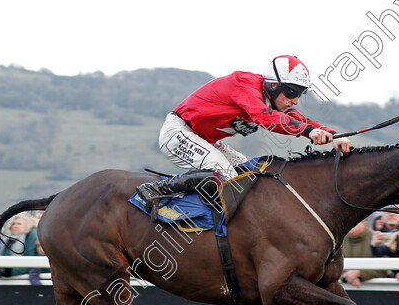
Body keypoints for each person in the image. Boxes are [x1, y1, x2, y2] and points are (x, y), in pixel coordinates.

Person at [136, 55, 352, 211]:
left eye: (300, 93)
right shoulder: (244, 84)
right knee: (226, 174)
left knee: (249, 175)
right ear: (274, 84)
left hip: (204, 139)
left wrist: (331, 134)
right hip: (178, 132)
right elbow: (265, 118)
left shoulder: (270, 97)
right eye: (292, 92)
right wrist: (309, 131)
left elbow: (297, 119)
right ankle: (157, 188)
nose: (295, 100)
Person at [340, 219, 389, 287]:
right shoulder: (340, 240)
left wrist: (360, 273)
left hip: (374, 289)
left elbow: (385, 268)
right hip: (345, 286)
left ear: (364, 224)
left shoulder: (376, 239)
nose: (349, 224)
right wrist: (346, 277)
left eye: (353, 222)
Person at [0, 213, 38, 278]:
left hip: (21, 278)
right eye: (13, 224)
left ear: (27, 226)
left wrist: (9, 272)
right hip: (4, 277)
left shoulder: (29, 239)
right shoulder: (6, 239)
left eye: (19, 224)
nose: (15, 226)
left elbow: (29, 262)